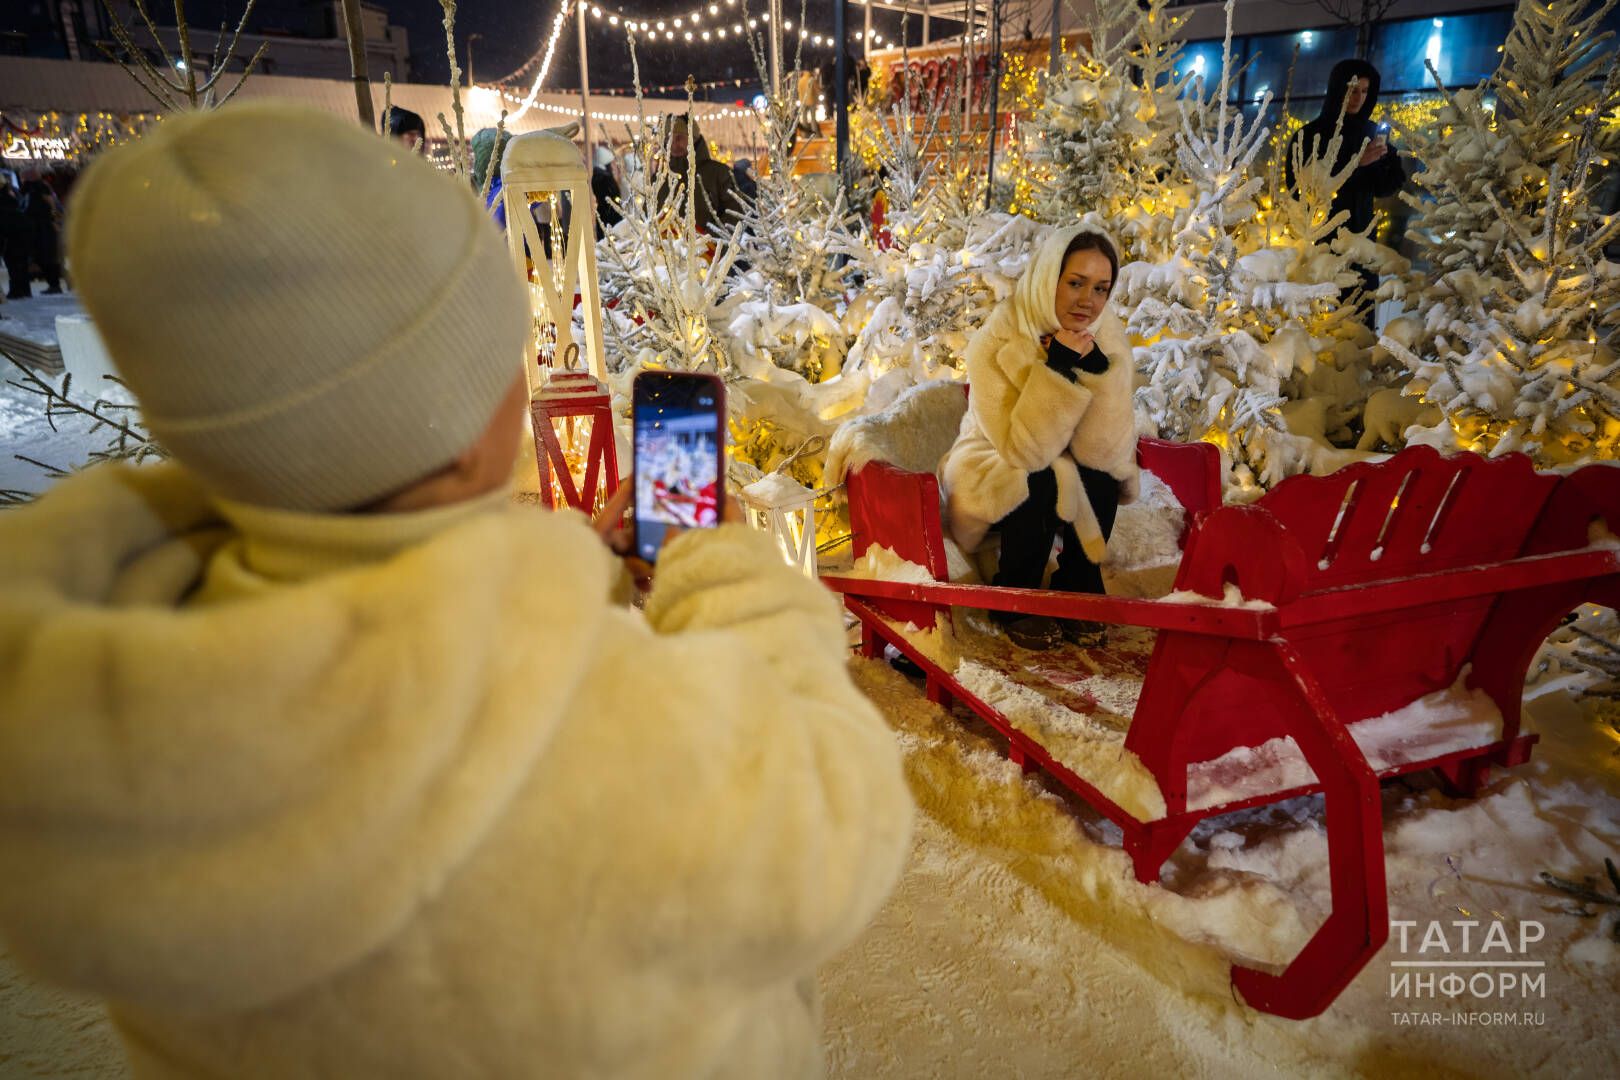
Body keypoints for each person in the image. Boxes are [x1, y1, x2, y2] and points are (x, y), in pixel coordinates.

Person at [0, 102, 912, 1078]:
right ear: (462, 413)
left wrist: (580, 579)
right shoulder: (601, 723)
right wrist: (724, 573)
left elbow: (395, 658)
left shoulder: (110, 695)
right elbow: (836, 829)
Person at [941, 227, 1139, 651]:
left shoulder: (1105, 335)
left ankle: (1079, 585)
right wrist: (1060, 367)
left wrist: (1099, 372)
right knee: (1043, 474)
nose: (1088, 300)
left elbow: (1107, 447)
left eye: (1101, 288)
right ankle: (1016, 597)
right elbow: (1023, 450)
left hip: (1062, 459)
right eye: (1075, 282)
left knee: (1102, 472)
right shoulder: (997, 340)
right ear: (1050, 276)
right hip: (994, 458)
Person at [1286, 58, 1406, 327]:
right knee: (1318, 324)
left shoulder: (1371, 134)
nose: (1358, 98)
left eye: (1365, 91)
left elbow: (1386, 186)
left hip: (1361, 243)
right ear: (1338, 88)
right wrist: (1356, 163)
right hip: (1320, 245)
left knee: (1358, 324)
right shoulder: (1310, 135)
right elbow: (1301, 189)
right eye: (1352, 89)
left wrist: (1385, 162)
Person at [658, 114, 742, 237]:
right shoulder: (660, 178)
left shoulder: (719, 173)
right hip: (665, 254)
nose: (674, 145)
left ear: (694, 139)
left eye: (679, 138)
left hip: (710, 253)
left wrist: (708, 243)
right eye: (669, 139)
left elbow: (734, 216)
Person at [18, 172, 63, 294]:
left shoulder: (40, 187)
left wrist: (54, 217)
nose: (22, 177)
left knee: (47, 255)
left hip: (43, 227)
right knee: (42, 255)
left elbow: (50, 202)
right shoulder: (28, 188)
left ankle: (54, 284)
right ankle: (52, 283)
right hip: (36, 226)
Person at [591, 142, 622, 237]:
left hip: (602, 214)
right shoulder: (605, 177)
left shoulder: (595, 175)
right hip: (611, 215)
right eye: (610, 164)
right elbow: (613, 196)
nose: (612, 167)